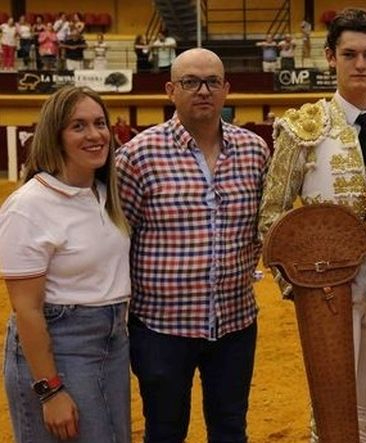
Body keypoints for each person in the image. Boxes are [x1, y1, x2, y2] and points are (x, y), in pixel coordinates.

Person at [257, 8, 366, 442]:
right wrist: (295, 286)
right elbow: (272, 213)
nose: (360, 64)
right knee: (330, 408)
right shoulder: (303, 127)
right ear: (330, 57)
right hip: (325, 288)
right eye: (350, 54)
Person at [115, 48, 270, 442]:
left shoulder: (255, 151)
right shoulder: (137, 155)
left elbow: (267, 226)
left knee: (231, 428)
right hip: (161, 328)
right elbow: (118, 239)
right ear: (170, 90)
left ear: (226, 89)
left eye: (212, 82)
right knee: (165, 430)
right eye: (190, 82)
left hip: (235, 322)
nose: (203, 90)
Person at [0, 86, 131, 442]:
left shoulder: (105, 194)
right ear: (55, 136)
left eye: (99, 123)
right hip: (59, 346)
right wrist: (50, 390)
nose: (95, 135)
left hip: (113, 341)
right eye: (78, 126)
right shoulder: (28, 206)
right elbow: (26, 309)